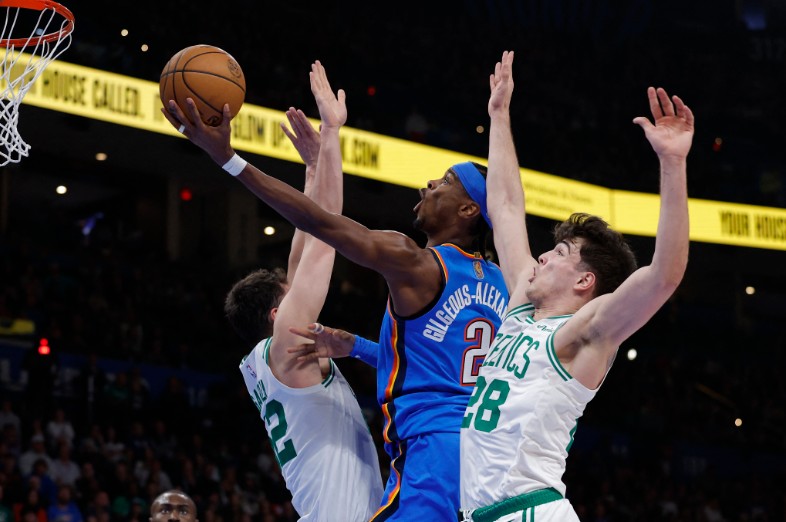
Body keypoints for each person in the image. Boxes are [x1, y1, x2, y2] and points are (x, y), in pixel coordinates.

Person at [162, 57, 509, 520]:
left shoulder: (416, 264)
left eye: (445, 181)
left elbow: (317, 233)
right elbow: (315, 245)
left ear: (469, 211)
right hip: (487, 459)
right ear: (277, 312)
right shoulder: (506, 284)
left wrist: (240, 159)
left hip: (429, 454)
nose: (430, 182)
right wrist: (325, 151)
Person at [458, 52, 694, 521]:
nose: (542, 256)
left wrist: (672, 164)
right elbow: (504, 207)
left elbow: (663, 276)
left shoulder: (581, 333)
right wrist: (499, 115)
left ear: (586, 281)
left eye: (560, 253)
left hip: (530, 511)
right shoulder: (520, 306)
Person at [224, 61, 383, 520]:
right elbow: (326, 230)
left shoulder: (269, 360)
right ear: (279, 314)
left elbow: (306, 243)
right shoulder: (290, 345)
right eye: (288, 296)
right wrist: (332, 134)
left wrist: (314, 170)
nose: (298, 292)